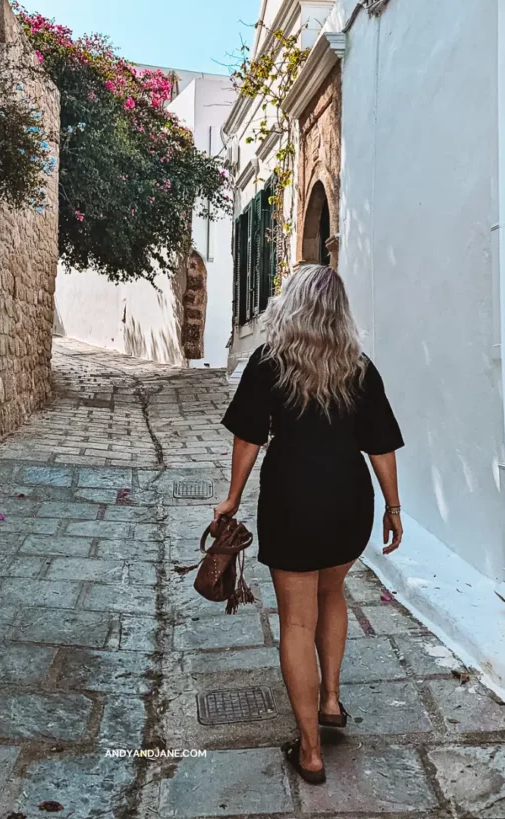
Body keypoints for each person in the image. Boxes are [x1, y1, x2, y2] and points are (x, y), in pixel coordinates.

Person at [215, 264, 404, 784]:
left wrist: (231, 499)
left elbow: (248, 440)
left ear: (292, 307)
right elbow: (381, 446)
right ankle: (331, 700)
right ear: (339, 313)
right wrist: (393, 507)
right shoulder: (359, 368)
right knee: (334, 595)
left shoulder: (269, 363)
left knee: (296, 622)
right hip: (348, 504)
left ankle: (312, 750)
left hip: (292, 503)